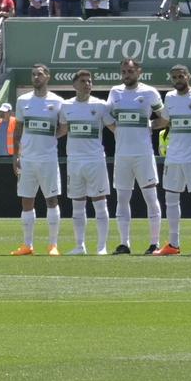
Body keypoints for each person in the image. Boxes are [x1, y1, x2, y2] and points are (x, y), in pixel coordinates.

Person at [103, 56, 162, 254]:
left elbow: (164, 117)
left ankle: (155, 243)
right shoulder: (115, 92)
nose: (126, 75)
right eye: (124, 72)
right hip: (122, 155)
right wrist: (116, 131)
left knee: (151, 198)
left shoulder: (149, 92)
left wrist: (150, 126)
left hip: (143, 153)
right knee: (122, 199)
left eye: (130, 71)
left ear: (139, 72)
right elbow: (106, 116)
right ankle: (124, 243)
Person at [158, 64, 191, 255]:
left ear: (188, 76)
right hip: (173, 157)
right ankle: (173, 244)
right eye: (174, 77)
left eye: (181, 76)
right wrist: (144, 126)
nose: (178, 80)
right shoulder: (170, 98)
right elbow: (164, 121)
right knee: (171, 199)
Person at [12, 63, 64, 256]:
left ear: (47, 77)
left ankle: (53, 245)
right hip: (27, 159)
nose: (36, 78)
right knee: (27, 201)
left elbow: (64, 128)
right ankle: (27, 245)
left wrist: (50, 137)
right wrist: (16, 155)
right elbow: (17, 131)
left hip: (48, 159)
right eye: (33, 74)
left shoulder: (58, 101)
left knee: (51, 200)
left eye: (40, 74)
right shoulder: (22, 100)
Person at [60, 69, 111, 255]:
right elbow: (62, 130)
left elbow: (114, 127)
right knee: (77, 205)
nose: (87, 84)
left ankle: (102, 247)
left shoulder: (101, 105)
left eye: (89, 81)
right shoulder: (65, 106)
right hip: (74, 161)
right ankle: (80, 246)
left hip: (95, 160)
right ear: (74, 85)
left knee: (100, 203)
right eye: (83, 81)